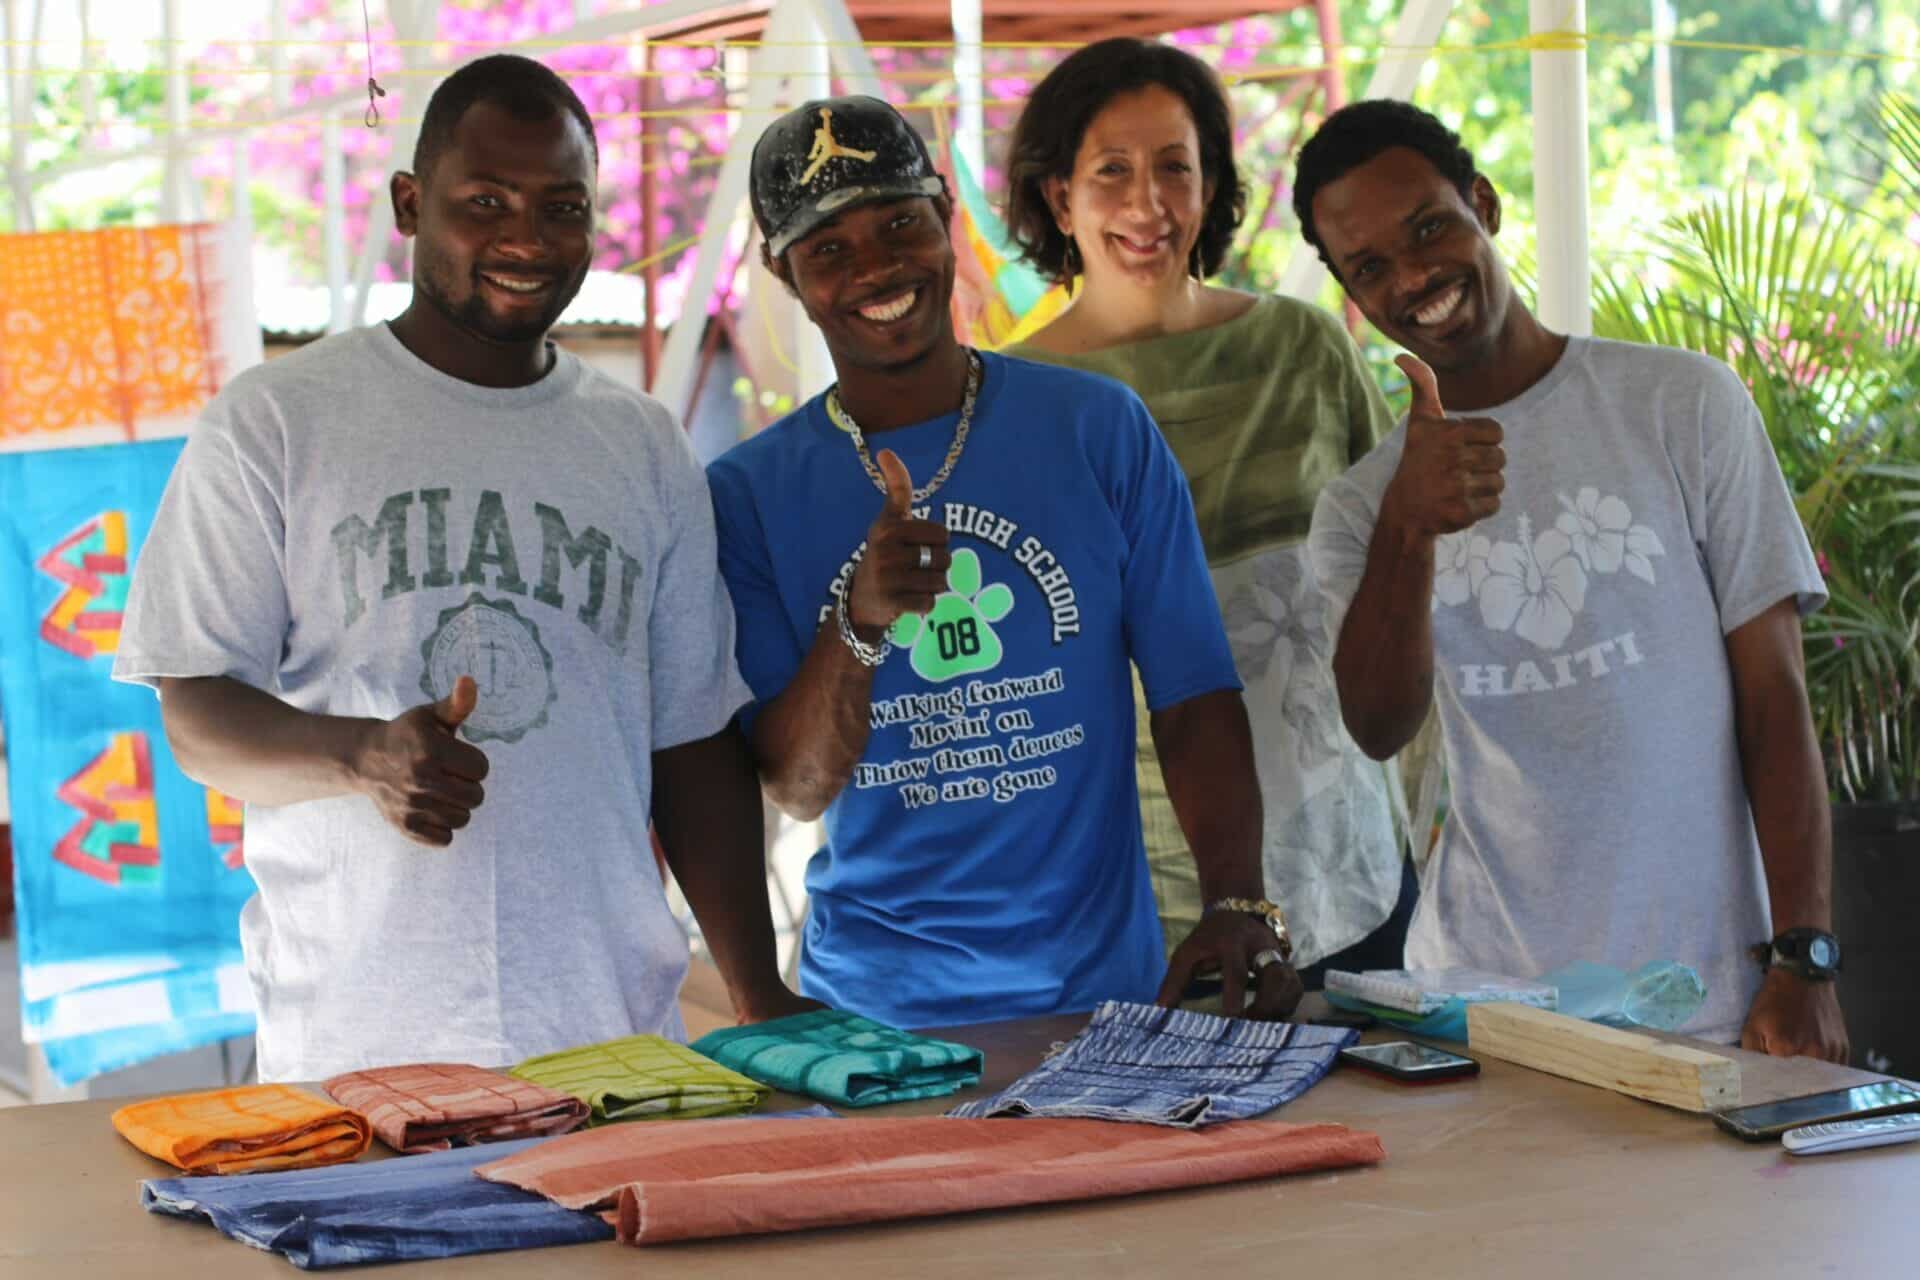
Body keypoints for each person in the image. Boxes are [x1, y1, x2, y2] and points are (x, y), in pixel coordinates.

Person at [113, 55, 809, 1082]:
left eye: (561, 206)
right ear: (410, 202)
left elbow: (693, 738)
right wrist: (361, 756)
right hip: (357, 1046)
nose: (527, 239)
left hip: (613, 1041)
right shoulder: (278, 423)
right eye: (485, 202)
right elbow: (198, 716)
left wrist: (758, 990)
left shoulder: (644, 445)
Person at [708, 94, 1302, 1030]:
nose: (877, 267)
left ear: (948, 221)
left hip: (1102, 995)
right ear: (785, 272)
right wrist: (857, 624)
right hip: (874, 1015)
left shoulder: (1096, 429)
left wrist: (1235, 898)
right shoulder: (746, 494)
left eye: (901, 222)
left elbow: (1192, 694)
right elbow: (796, 785)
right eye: (829, 249)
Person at [1296, 99, 1849, 1059]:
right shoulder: (1362, 508)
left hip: (1712, 994)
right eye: (1370, 267)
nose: (1414, 277)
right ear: (1350, 292)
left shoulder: (1682, 404)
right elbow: (1378, 725)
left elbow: (1776, 695)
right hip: (1480, 1008)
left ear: (1485, 204)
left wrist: (1803, 960)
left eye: (1429, 227)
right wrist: (1409, 530)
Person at [1000, 37, 1414, 989]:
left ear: (1213, 185)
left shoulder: (1304, 348)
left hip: (1345, 856)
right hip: (1136, 887)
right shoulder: (1017, 401)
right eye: (1112, 172)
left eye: (1175, 169)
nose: (1148, 206)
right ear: (1059, 197)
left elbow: (1401, 564)